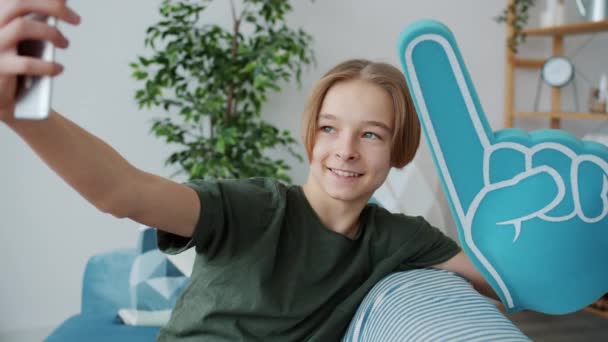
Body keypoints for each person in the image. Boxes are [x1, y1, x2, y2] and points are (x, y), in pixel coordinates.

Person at [0, 1, 498, 341]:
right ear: (311, 137)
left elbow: (498, 281)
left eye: (371, 134)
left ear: (398, 150)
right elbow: (122, 192)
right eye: (330, 128)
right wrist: (21, 111)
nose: (345, 150)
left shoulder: (398, 237)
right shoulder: (256, 206)